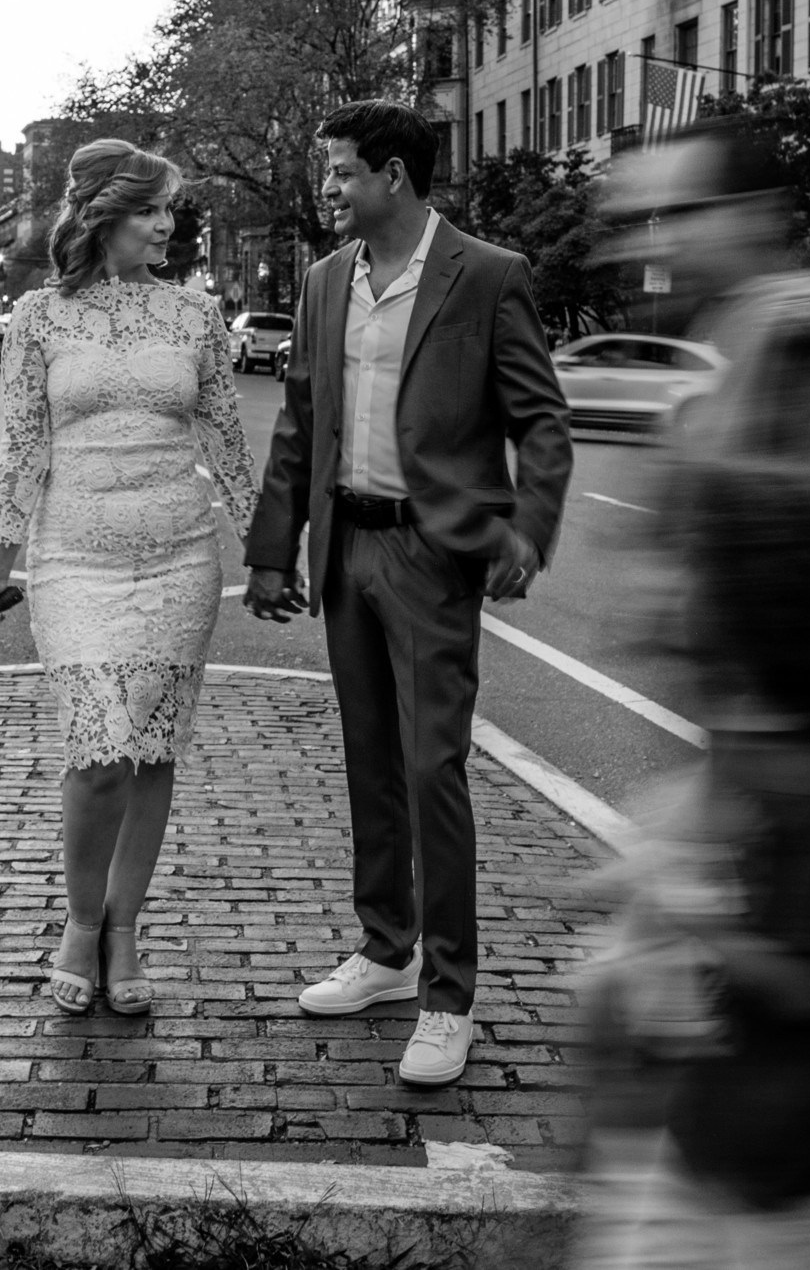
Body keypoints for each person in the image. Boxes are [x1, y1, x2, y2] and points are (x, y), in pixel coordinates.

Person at [574, 122, 810, 1270]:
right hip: (750, 754)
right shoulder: (751, 339)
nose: (658, 242)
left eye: (680, 214)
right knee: (666, 1019)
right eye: (646, 218)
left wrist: (696, 585)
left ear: (756, 216)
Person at [243, 99, 573, 1087]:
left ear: (391, 174)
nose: (328, 188)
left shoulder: (486, 274)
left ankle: (448, 995)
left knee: (432, 769)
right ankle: (385, 952)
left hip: (433, 556)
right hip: (347, 546)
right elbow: (299, 421)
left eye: (341, 171)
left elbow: (542, 421)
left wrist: (528, 531)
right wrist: (273, 549)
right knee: (370, 764)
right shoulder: (320, 282)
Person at [0, 139, 256, 1016]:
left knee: (151, 750)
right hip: (76, 562)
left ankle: (126, 929)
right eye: (153, 209)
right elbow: (21, 455)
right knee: (99, 750)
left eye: (171, 209)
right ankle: (81, 925)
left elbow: (228, 447)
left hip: (177, 560)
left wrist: (275, 550)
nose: (169, 225)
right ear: (104, 215)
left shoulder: (195, 317)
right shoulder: (38, 319)